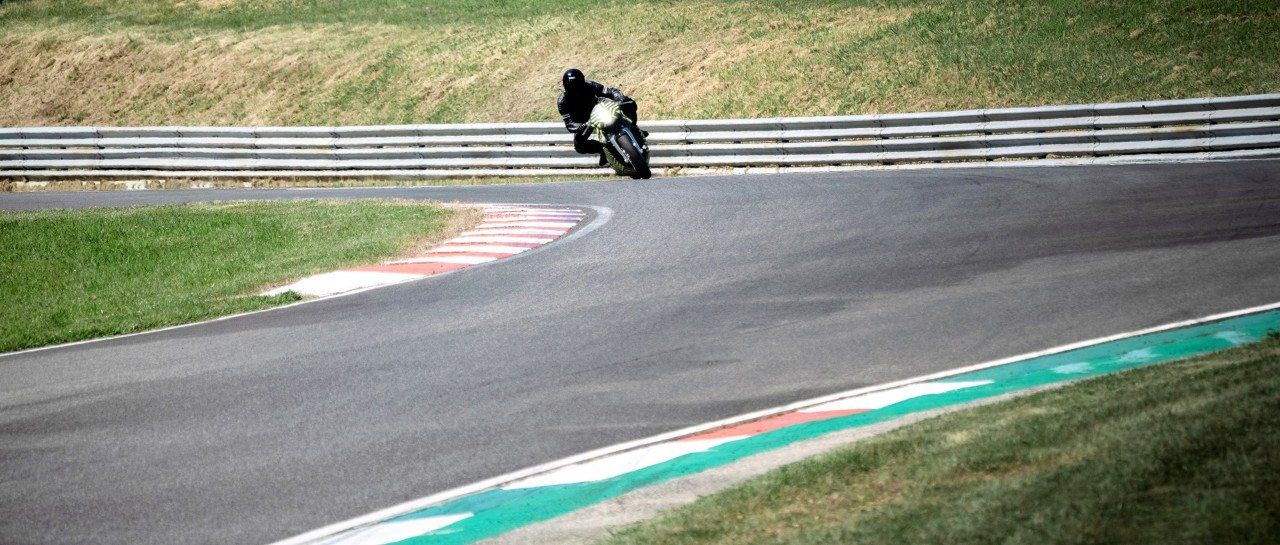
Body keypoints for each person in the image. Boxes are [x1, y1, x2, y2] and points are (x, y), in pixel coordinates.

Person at [557, 68, 643, 166]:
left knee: (627, 102)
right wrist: (580, 126)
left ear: (583, 81)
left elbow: (610, 91)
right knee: (579, 146)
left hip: (599, 111)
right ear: (566, 86)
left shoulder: (590, 85)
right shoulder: (562, 101)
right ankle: (603, 150)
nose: (576, 89)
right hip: (584, 121)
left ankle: (633, 127)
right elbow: (569, 123)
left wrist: (619, 98)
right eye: (572, 86)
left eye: (578, 84)